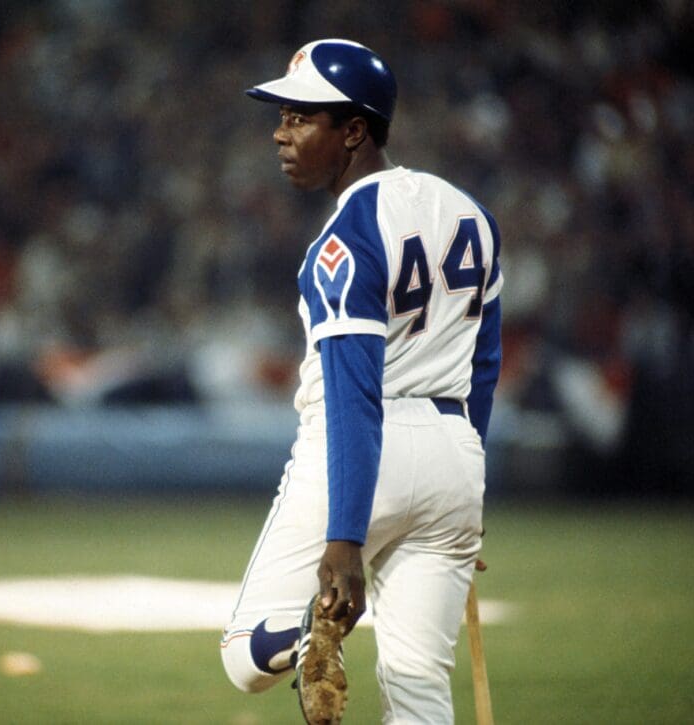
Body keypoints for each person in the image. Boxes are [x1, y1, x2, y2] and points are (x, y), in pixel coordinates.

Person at [220, 40, 502, 724]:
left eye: (300, 117)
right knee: (417, 685)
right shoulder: (466, 212)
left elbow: (353, 393)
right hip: (455, 452)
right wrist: (471, 480)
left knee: (246, 656)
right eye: (283, 116)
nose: (281, 133)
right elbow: (484, 363)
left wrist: (346, 538)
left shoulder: (344, 238)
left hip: (361, 453)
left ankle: (308, 635)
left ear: (353, 130)